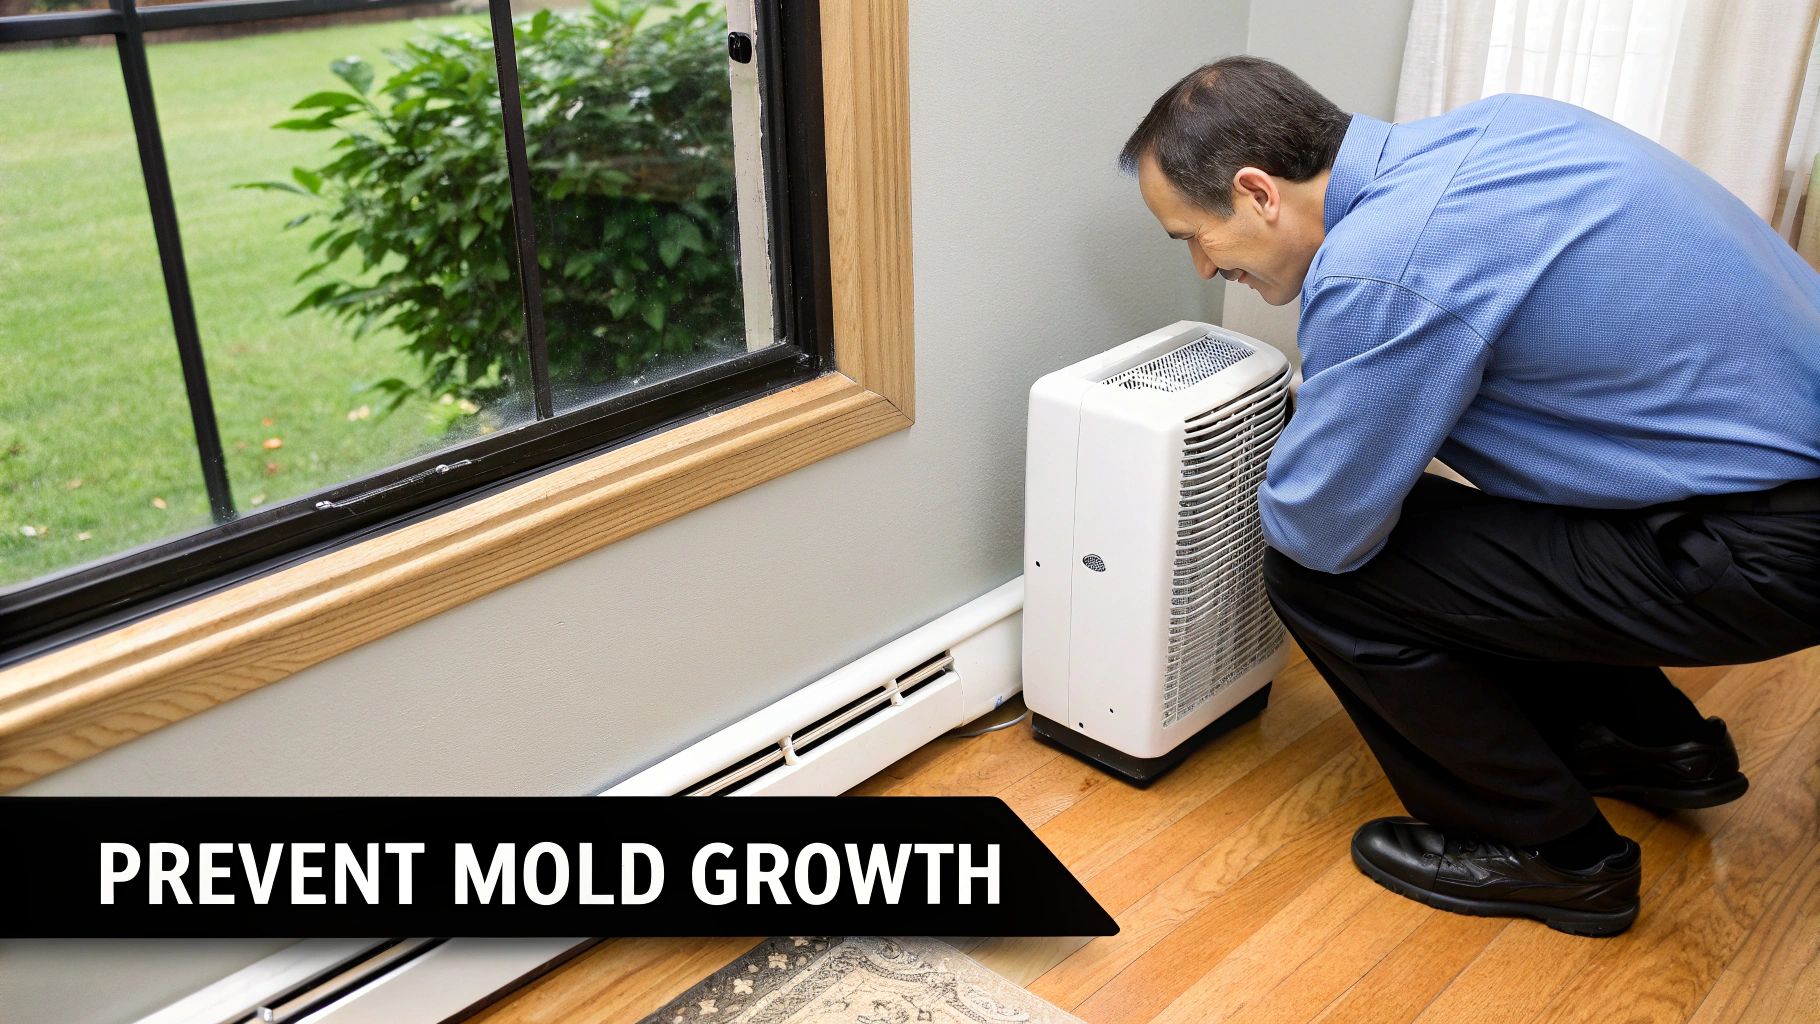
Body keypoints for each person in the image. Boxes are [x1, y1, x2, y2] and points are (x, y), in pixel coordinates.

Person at [1119, 56, 1820, 937]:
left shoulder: (1388, 264)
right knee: (1451, 532)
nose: (1199, 266)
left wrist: (1311, 441)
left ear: (1258, 191)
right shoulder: (1504, 129)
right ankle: (1652, 743)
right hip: (1766, 487)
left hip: (1771, 551)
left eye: (1193, 235)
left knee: (1322, 576)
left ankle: (1553, 855)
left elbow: (1318, 530)